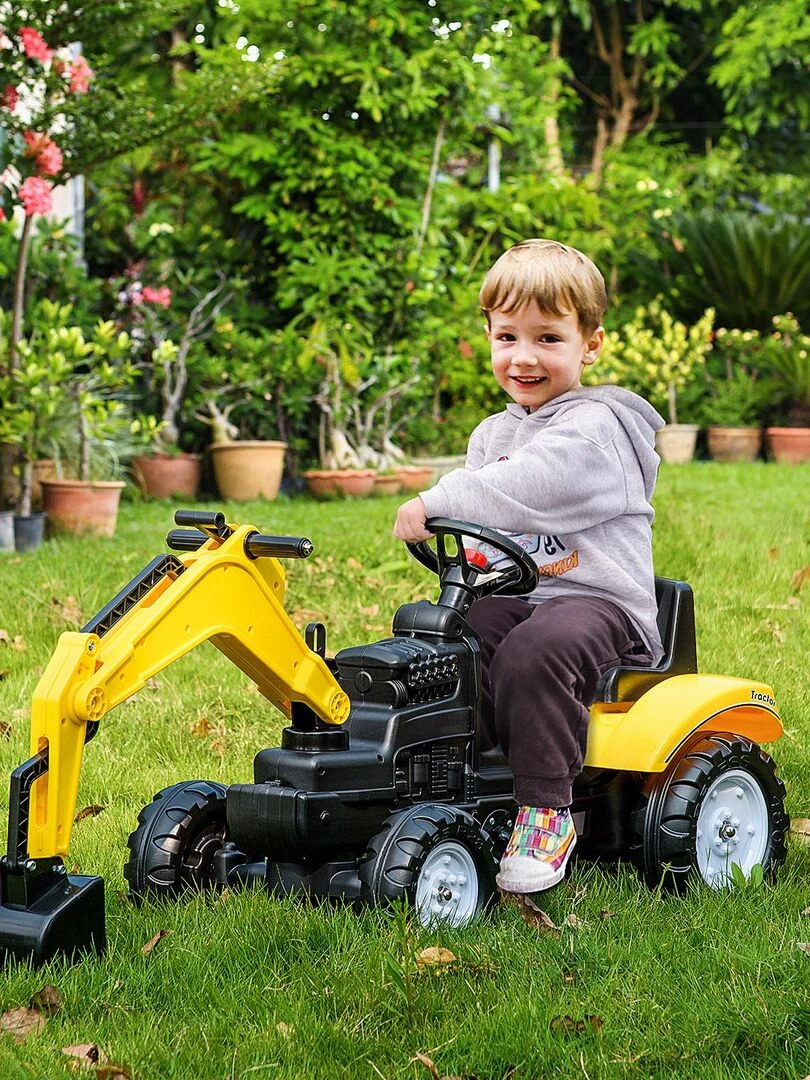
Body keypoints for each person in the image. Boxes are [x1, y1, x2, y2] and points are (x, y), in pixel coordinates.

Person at [392, 238, 665, 895]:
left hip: (601, 605)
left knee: (537, 649)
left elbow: (529, 485)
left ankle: (547, 811)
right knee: (443, 642)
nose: (523, 357)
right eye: (508, 336)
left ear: (590, 344)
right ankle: (443, 784)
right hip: (522, 594)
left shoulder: (598, 429)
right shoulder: (492, 433)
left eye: (548, 338)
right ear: (487, 334)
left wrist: (438, 498)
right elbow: (489, 527)